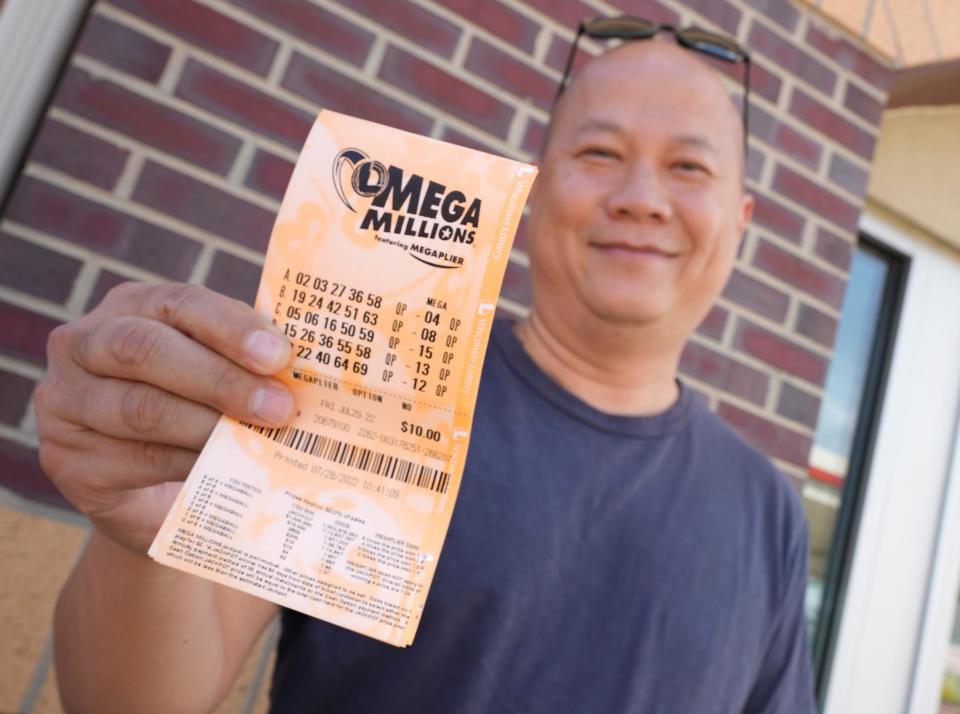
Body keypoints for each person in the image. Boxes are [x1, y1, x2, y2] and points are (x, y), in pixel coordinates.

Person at [35, 23, 816, 714]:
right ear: (534, 195)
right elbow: (129, 702)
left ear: (739, 220)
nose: (642, 197)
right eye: (600, 153)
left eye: (689, 168)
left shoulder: (770, 513)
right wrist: (139, 533)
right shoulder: (370, 393)